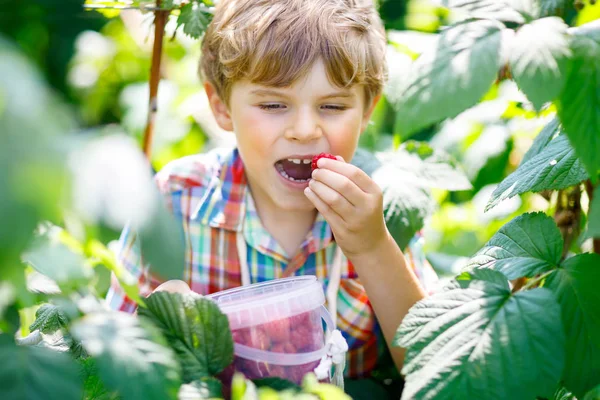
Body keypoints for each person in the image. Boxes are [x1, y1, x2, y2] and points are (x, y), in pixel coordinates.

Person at [106, 0, 438, 386]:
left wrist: (373, 247)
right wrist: (161, 322)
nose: (304, 129)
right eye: (273, 104)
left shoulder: (381, 209)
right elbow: (108, 368)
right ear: (221, 107)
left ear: (366, 111)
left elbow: (430, 364)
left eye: (332, 105)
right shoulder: (173, 203)